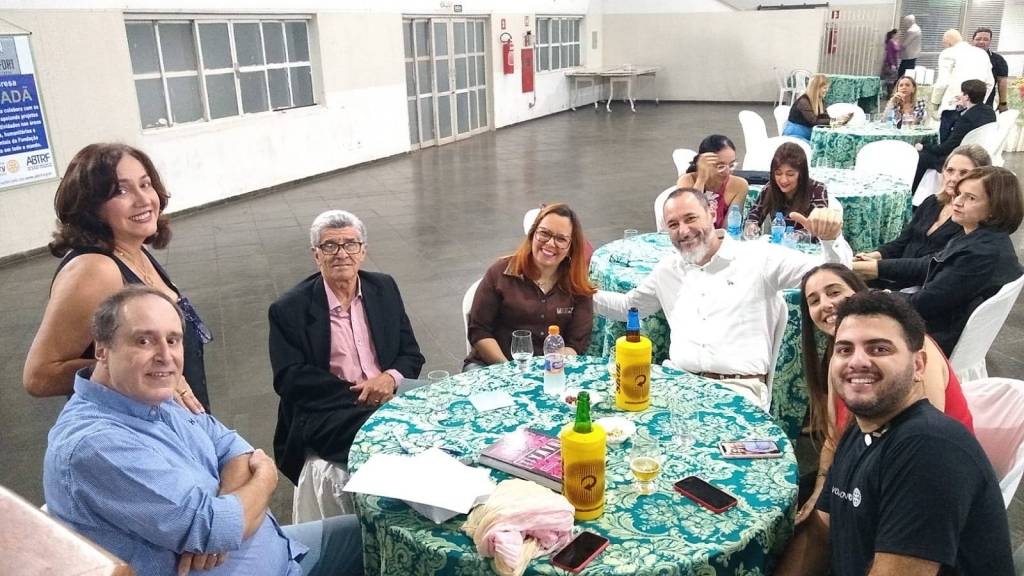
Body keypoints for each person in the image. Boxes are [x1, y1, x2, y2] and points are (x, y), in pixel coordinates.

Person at [44, 286, 364, 576]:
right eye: (144, 340)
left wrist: (229, 515)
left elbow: (231, 446)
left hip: (284, 551)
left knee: (379, 533)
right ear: (101, 349)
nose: (165, 357)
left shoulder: (150, 395)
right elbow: (211, 526)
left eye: (173, 340)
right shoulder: (96, 446)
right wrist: (265, 477)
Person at [776, 292, 1012, 576]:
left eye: (879, 349)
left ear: (919, 365)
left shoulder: (930, 449)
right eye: (845, 349)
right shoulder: (862, 428)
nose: (857, 361)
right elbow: (819, 534)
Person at [594, 187, 851, 410]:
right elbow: (629, 307)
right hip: (677, 386)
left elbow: (834, 276)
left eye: (690, 218)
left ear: (712, 213)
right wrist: (578, 292)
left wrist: (831, 240)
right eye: (673, 225)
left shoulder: (759, 258)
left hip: (738, 392)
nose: (683, 231)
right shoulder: (668, 270)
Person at [23, 143, 211, 413]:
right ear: (91, 207)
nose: (143, 199)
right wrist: (140, 367)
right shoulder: (96, 269)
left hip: (171, 420)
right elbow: (39, 376)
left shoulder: (134, 251)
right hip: (134, 427)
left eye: (145, 184)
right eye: (121, 191)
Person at [269, 210, 425, 522]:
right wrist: (361, 393)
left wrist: (388, 378)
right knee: (391, 438)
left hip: (390, 393)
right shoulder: (289, 308)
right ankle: (385, 521)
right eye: (330, 246)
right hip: (329, 409)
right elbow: (289, 378)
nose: (342, 253)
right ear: (316, 255)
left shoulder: (384, 288)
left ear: (363, 251)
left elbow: (411, 353)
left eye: (350, 244)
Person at [795, 264, 974, 523]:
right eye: (814, 301)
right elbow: (833, 439)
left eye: (834, 292)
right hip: (864, 465)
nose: (826, 304)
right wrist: (821, 489)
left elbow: (925, 443)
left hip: (929, 480)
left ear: (859, 292)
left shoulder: (913, 351)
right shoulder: (839, 357)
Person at [855, 166, 1024, 356]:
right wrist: (873, 267)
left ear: (995, 209)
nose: (957, 202)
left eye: (970, 198)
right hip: (943, 321)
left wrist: (875, 296)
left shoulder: (981, 255)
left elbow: (923, 304)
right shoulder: (981, 237)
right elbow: (928, 264)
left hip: (936, 337)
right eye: (959, 194)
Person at [467, 203, 595, 367]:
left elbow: (575, 344)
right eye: (544, 233)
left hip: (551, 368)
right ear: (532, 234)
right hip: (493, 366)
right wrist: (509, 370)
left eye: (561, 239)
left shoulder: (577, 285)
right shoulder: (500, 273)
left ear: (571, 247)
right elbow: (479, 331)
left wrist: (550, 368)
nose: (550, 243)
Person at [856, 144, 990, 266]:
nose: (953, 178)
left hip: (921, 279)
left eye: (964, 173)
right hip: (895, 271)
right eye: (950, 170)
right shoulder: (932, 202)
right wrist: (873, 256)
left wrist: (877, 267)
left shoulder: (969, 217)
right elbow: (902, 242)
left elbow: (933, 264)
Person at [912, 79, 996, 191]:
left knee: (921, 156)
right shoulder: (989, 112)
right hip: (980, 153)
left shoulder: (966, 119)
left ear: (966, 97)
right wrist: (959, 109)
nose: (959, 95)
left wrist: (924, 147)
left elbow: (946, 147)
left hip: (961, 156)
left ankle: (913, 191)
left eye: (962, 93)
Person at [744, 143, 828, 232]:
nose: (783, 180)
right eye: (778, 173)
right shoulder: (770, 188)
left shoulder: (817, 190)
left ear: (801, 174)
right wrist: (751, 226)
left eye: (790, 174)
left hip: (806, 239)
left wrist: (795, 236)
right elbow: (753, 216)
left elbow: (821, 228)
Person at [675, 135, 749, 229]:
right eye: (720, 166)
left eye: (731, 165)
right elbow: (688, 220)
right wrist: (701, 179)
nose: (727, 172)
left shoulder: (739, 186)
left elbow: (730, 229)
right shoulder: (686, 181)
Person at [931, 29, 994, 119]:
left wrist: (935, 103)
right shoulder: (982, 53)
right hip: (975, 108)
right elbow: (990, 82)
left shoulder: (948, 53)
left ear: (948, 43)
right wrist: (980, 101)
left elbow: (942, 82)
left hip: (952, 105)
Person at [782, 74, 850, 141]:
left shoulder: (820, 100)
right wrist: (834, 121)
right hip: (795, 134)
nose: (827, 90)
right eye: (824, 88)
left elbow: (825, 117)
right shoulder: (803, 102)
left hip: (807, 132)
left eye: (827, 88)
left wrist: (839, 120)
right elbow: (814, 121)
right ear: (816, 88)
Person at [973, 27, 1010, 112]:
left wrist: (1003, 103)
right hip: (961, 102)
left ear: (990, 42)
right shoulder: (963, 57)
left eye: (986, 39)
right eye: (978, 39)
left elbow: (1002, 82)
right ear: (973, 40)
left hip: (986, 104)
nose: (981, 42)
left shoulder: (998, 60)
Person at [897, 15, 921, 79]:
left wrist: (896, 49)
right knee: (907, 72)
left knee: (902, 73)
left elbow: (905, 44)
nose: (905, 24)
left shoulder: (912, 30)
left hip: (909, 56)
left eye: (905, 22)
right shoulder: (917, 28)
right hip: (912, 55)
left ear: (910, 21)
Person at [881, 29, 900, 95]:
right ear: (893, 34)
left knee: (892, 80)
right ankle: (887, 94)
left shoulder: (896, 42)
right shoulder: (890, 42)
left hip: (895, 63)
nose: (898, 35)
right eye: (897, 34)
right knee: (888, 80)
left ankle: (889, 94)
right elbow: (889, 54)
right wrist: (892, 64)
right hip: (889, 64)